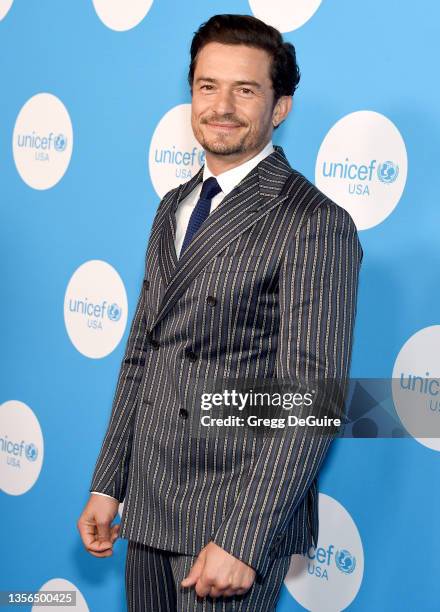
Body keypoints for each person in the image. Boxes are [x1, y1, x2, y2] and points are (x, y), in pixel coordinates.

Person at [77, 13, 363, 611]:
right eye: (208, 86)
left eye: (246, 89)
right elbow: (143, 356)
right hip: (151, 508)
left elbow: (310, 401)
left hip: (229, 520)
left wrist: (243, 538)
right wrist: (109, 481)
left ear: (280, 107)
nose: (222, 106)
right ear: (191, 94)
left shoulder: (314, 223)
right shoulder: (173, 205)